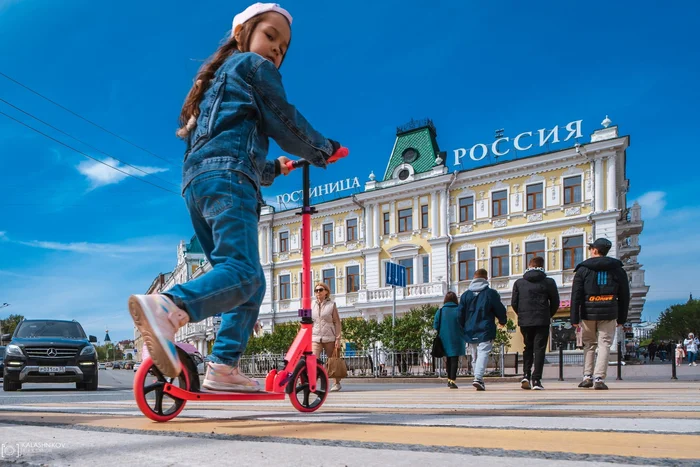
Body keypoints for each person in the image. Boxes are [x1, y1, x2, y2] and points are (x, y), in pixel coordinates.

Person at [127, 3, 345, 392]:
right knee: (243, 273)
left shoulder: (212, 88)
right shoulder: (253, 67)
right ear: (242, 34)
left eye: (282, 48)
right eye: (270, 37)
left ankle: (222, 367)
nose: (275, 51)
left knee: (246, 281)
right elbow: (284, 119)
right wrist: (322, 149)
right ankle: (169, 306)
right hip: (229, 183)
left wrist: (274, 169)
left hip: (199, 186)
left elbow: (226, 148)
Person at [570, 238, 630, 390]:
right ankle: (599, 378)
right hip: (609, 312)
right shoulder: (617, 269)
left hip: (587, 313)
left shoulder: (583, 269)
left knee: (589, 344)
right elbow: (624, 295)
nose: (590, 250)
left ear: (595, 250)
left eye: (591, 248)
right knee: (605, 345)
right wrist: (622, 318)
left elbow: (576, 295)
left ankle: (587, 376)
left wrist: (574, 318)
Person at [511, 256, 560, 390]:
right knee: (540, 349)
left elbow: (514, 303)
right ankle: (536, 380)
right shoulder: (549, 282)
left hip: (525, 321)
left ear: (529, 265)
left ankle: (526, 375)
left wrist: (522, 314)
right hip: (542, 319)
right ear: (542, 266)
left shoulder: (519, 283)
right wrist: (548, 314)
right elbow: (555, 302)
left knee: (528, 347)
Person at [459, 269, 507, 391]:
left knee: (474, 356)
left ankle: (477, 378)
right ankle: (478, 378)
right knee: (483, 353)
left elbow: (460, 314)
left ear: (473, 278)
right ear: (486, 279)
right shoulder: (490, 293)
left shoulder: (465, 295)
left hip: (469, 329)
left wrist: (462, 327)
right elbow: (499, 309)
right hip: (485, 328)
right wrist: (502, 320)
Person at [312, 282, 343, 392]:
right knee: (312, 360)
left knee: (332, 361)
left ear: (326, 292)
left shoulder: (331, 305)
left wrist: (338, 338)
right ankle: (312, 382)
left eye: (320, 290)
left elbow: (337, 322)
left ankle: (336, 383)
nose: (318, 292)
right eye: (316, 290)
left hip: (330, 337)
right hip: (315, 338)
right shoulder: (312, 305)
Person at [433, 291, 467, 389]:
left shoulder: (440, 311)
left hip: (444, 338)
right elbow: (464, 323)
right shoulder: (459, 310)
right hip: (457, 337)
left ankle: (449, 379)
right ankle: (452, 380)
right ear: (456, 299)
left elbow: (435, 325)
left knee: (448, 359)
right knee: (454, 359)